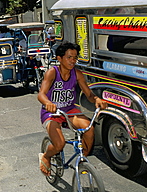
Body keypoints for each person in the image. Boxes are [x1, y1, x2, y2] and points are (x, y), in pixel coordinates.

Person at [38, 42, 107, 176]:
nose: (73, 61)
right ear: (59, 58)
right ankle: (46, 156)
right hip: (52, 113)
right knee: (59, 144)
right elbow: (41, 94)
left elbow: (89, 94)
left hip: (69, 111)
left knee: (89, 129)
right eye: (69, 57)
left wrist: (97, 99)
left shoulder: (77, 74)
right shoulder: (52, 73)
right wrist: (48, 103)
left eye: (75, 58)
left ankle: (82, 161)